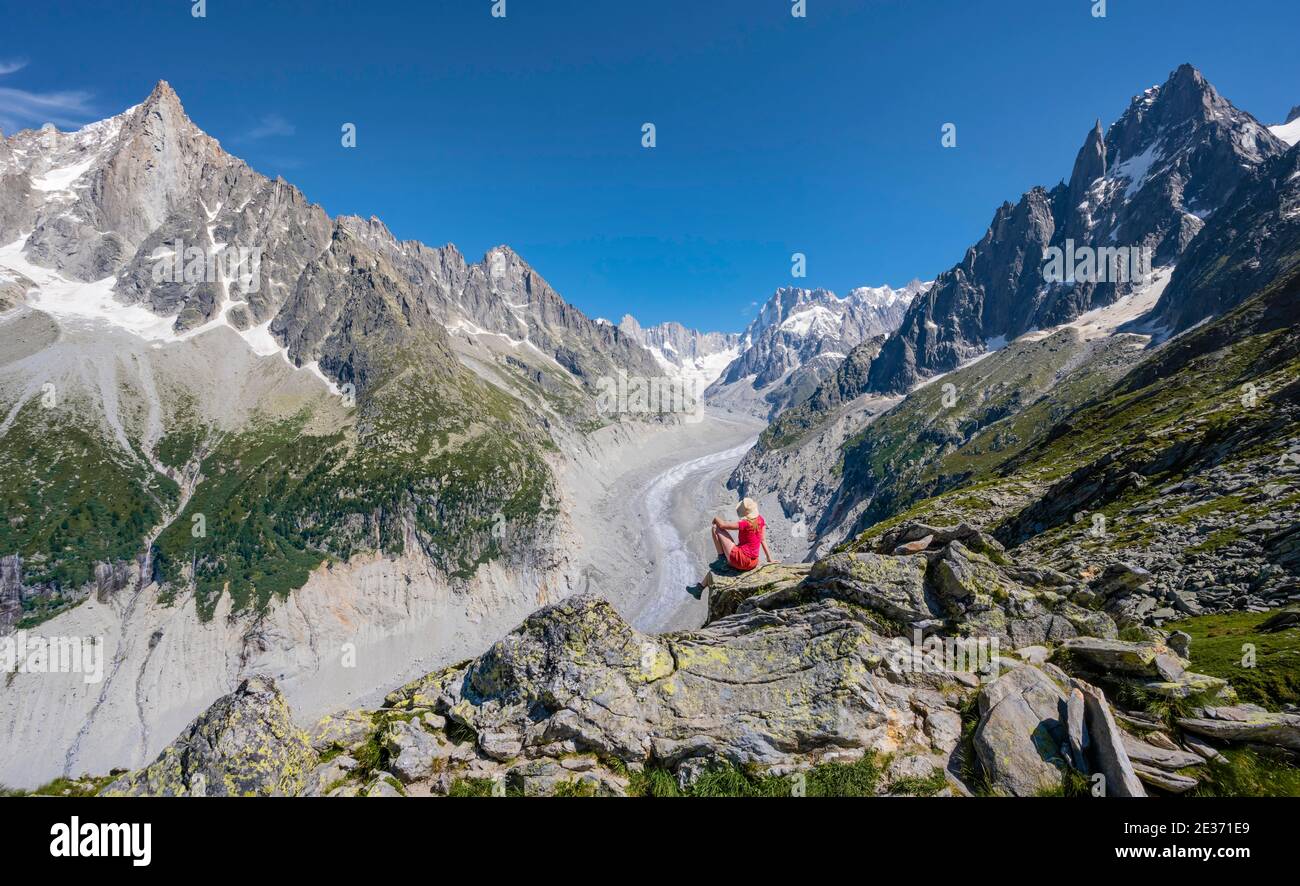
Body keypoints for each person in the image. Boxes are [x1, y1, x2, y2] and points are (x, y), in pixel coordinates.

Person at [710, 497, 772, 573]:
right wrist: (769, 558)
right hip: (753, 563)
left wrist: (716, 518)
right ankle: (724, 560)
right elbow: (763, 540)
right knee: (737, 547)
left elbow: (722, 525)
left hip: (740, 560)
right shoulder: (761, 520)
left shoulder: (745, 523)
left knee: (715, 527)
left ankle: (721, 560)